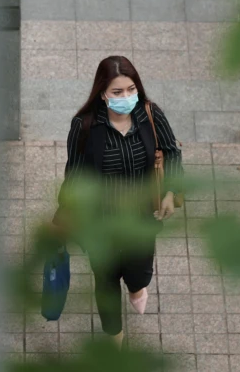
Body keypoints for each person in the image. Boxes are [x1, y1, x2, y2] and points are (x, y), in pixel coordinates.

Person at [52, 55, 184, 348]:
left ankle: (137, 288)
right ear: (102, 93)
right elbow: (74, 174)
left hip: (141, 218)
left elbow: (172, 152)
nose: (126, 97)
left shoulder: (150, 115)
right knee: (106, 280)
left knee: (139, 272)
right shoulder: (85, 126)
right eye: (117, 92)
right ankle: (115, 337)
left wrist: (170, 193)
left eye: (131, 89)